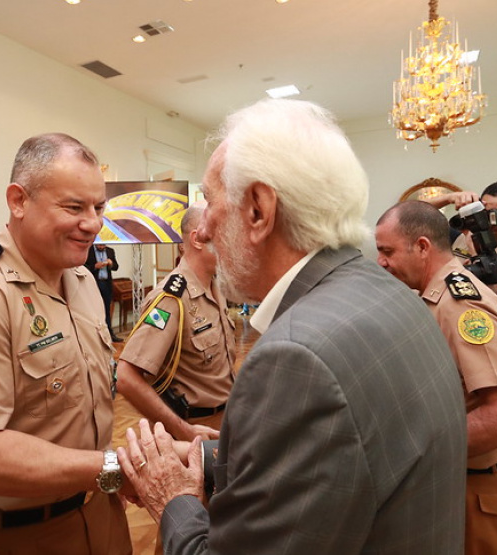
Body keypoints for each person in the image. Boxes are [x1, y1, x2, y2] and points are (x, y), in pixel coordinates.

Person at [119, 99, 468, 555]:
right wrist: (210, 458)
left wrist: (173, 498)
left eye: (210, 199)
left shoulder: (297, 358)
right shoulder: (392, 295)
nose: (202, 226)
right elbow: (341, 462)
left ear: (259, 210)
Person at [0, 133, 131, 554]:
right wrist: (115, 467)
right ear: (18, 200)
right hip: (22, 535)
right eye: (74, 207)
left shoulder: (84, 281)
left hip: (100, 512)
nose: (92, 222)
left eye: (98, 207)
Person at [375, 200, 497, 555]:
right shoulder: (438, 296)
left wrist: (412, 452)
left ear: (422, 247)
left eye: (387, 251)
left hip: (475, 497)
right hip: (455, 487)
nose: (380, 262)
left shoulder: (460, 304)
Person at [117, 203, 235, 442]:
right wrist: (182, 430)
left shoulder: (215, 288)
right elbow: (126, 377)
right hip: (193, 435)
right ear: (198, 239)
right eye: (223, 234)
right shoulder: (171, 299)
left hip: (225, 424)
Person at [426, 179, 497, 295]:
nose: (492, 222)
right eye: (486, 213)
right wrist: (449, 198)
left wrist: (478, 256)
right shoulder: (461, 238)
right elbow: (411, 217)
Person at [84, 243, 122, 341]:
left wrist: (111, 263)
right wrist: (95, 266)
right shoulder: (88, 250)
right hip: (93, 283)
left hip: (106, 284)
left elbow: (116, 267)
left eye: (103, 245)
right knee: (93, 310)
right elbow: (82, 267)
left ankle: (110, 334)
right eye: (99, 245)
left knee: (106, 310)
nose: (101, 247)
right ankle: (94, 336)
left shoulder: (110, 251)